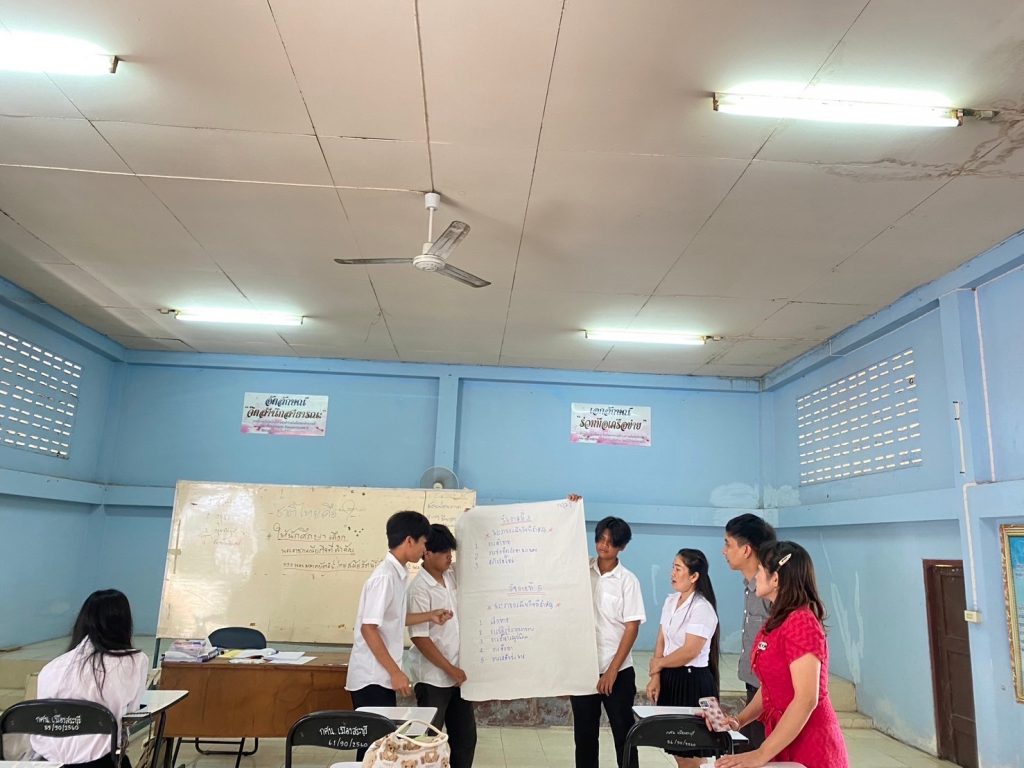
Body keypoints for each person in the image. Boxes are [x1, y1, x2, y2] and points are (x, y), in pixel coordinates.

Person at [716, 541, 850, 768]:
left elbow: (806, 698)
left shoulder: (801, 622)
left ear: (775, 579)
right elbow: (771, 687)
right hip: (782, 738)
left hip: (810, 744)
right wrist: (739, 720)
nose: (756, 576)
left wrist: (760, 754)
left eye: (760, 570)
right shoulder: (777, 621)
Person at [345, 510, 453, 759]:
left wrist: (429, 616)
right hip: (371, 677)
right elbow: (368, 628)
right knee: (374, 749)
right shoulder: (384, 577)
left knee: (381, 747)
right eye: (423, 543)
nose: (425, 549)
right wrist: (395, 672)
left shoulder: (397, 574)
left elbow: (393, 619)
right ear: (409, 541)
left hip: (380, 675)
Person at [31, 589, 149, 768]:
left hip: (48, 762)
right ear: (124, 624)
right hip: (100, 762)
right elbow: (131, 714)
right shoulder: (136, 660)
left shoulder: (52, 667)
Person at [568, 505, 646, 768]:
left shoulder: (628, 581)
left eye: (611, 542)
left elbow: (632, 628)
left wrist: (612, 671)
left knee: (624, 735)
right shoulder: (581, 572)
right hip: (584, 668)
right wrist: (570, 508)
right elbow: (562, 547)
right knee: (584, 737)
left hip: (618, 670)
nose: (603, 546)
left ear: (621, 547)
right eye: (600, 539)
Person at [405, 524, 476, 768]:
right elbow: (420, 638)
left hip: (458, 674)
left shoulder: (450, 575)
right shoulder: (418, 589)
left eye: (451, 552)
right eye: (444, 552)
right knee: (428, 741)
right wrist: (449, 669)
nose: (450, 557)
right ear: (427, 553)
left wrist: (470, 521)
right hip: (433, 678)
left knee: (465, 738)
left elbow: (474, 556)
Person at [646, 549, 720, 768]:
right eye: (673, 567)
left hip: (692, 682)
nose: (672, 573)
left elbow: (690, 651)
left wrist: (658, 664)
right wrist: (656, 675)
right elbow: (661, 639)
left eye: (678, 569)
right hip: (671, 678)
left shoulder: (702, 608)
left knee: (691, 751)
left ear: (694, 576)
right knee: (678, 750)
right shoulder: (671, 601)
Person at [722, 513, 776, 750]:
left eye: (728, 544)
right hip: (755, 689)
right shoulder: (750, 587)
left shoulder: (769, 590)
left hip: (770, 694)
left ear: (746, 550)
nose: (724, 551)